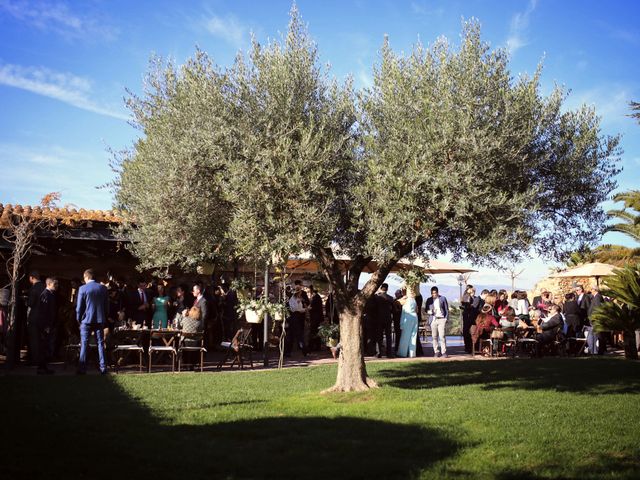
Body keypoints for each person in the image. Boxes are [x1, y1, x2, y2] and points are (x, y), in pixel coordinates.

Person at [76, 269, 108, 374]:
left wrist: (78, 319)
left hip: (86, 321)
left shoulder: (82, 288)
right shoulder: (103, 288)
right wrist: (105, 317)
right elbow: (106, 306)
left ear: (86, 277)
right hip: (99, 320)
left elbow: (79, 307)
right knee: (100, 343)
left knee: (84, 344)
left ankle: (82, 368)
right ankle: (103, 368)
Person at [36, 277, 58, 374]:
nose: (56, 286)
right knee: (44, 346)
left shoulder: (50, 295)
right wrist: (46, 326)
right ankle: (41, 368)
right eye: (55, 284)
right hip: (45, 325)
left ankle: (43, 367)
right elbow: (43, 312)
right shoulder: (45, 295)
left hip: (48, 324)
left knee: (46, 346)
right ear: (49, 284)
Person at [425, 286, 450, 358]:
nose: (434, 294)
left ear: (437, 292)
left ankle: (444, 352)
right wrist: (430, 312)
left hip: (442, 319)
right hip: (433, 319)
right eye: (432, 293)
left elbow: (446, 309)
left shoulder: (443, 298)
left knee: (442, 336)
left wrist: (446, 319)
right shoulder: (429, 300)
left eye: (435, 293)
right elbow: (426, 310)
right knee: (434, 336)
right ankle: (436, 351)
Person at [26, 271, 45, 365]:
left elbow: (31, 303)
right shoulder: (44, 287)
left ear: (32, 277)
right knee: (40, 339)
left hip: (34, 317)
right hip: (42, 317)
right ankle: (40, 359)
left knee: (34, 339)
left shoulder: (35, 288)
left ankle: (34, 360)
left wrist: (25, 301)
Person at [397, 286, 418, 358]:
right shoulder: (414, 300)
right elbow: (417, 310)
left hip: (408, 317)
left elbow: (403, 311)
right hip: (415, 317)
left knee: (405, 335)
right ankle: (412, 353)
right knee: (413, 335)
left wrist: (401, 323)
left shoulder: (405, 300)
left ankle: (402, 353)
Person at [374, 283, 395, 358]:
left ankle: (378, 352)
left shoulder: (376, 297)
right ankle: (389, 352)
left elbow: (374, 308)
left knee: (379, 336)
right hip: (388, 319)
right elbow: (393, 309)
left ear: (380, 287)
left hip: (379, 319)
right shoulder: (390, 298)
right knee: (388, 336)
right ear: (387, 289)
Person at [285, 289, 308, 356]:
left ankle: (304, 350)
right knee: (291, 336)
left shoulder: (298, 299)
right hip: (293, 318)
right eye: (299, 293)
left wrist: (305, 309)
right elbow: (293, 309)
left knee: (298, 335)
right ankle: (288, 352)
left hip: (297, 318)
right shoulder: (291, 300)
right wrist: (298, 303)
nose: (300, 295)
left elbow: (300, 309)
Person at [461, 285, 481, 353]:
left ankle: (470, 346)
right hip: (468, 315)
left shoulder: (472, 297)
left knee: (470, 331)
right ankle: (468, 347)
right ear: (469, 289)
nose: (473, 291)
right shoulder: (466, 296)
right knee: (466, 330)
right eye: (472, 290)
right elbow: (467, 305)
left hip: (471, 315)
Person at [588, 287, 607, 354]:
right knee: (600, 335)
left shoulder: (598, 297)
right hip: (595, 318)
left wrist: (594, 318)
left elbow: (597, 308)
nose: (591, 291)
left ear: (595, 290)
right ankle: (602, 349)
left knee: (600, 335)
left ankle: (601, 350)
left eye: (592, 290)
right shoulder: (596, 297)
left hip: (596, 319)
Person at [307, 285, 323, 352]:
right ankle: (316, 346)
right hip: (316, 317)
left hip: (315, 318)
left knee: (314, 331)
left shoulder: (316, 297)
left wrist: (309, 308)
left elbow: (314, 308)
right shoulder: (316, 297)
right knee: (315, 331)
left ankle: (314, 346)